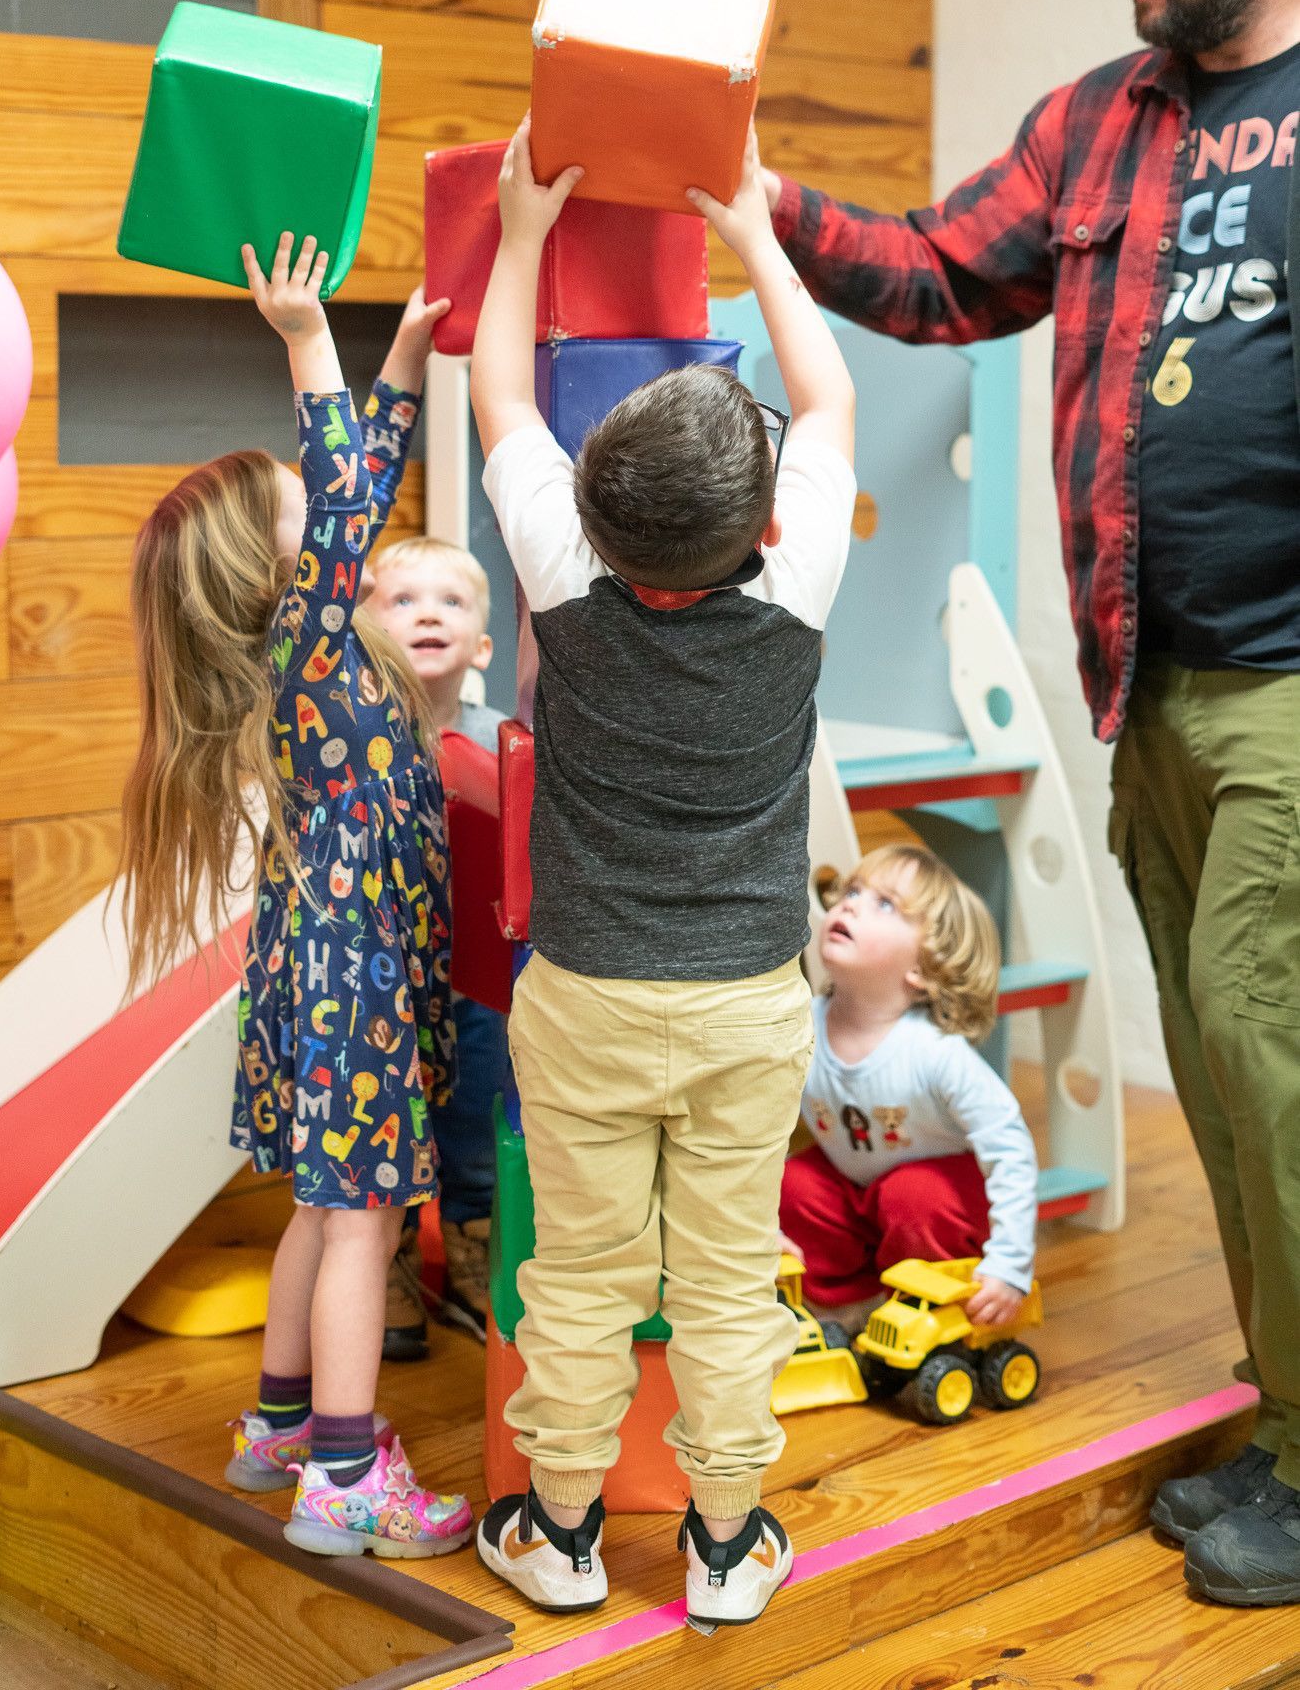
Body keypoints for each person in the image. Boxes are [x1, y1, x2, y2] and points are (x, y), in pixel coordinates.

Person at [763, 0, 1300, 1608]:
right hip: (1147, 681)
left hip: (1295, 685)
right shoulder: (1099, 124)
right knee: (1225, 1070)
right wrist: (759, 203)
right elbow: (930, 274)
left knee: (1252, 1030)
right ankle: (1292, 1417)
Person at [468, 117, 856, 1625]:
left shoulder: (562, 579)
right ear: (763, 520)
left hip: (583, 999)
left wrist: (517, 232)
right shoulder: (798, 577)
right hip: (748, 1004)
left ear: (588, 511)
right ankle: (723, 1541)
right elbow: (821, 390)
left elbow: (502, 389)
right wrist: (756, 231)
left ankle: (554, 1533)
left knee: (577, 1273)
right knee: (723, 1277)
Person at [118, 244, 471, 1561]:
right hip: (355, 987)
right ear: (279, 562)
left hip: (317, 979)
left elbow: (351, 478)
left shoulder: (304, 643)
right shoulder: (312, 635)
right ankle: (341, 1477)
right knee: (364, 1222)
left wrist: (401, 356)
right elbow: (344, 483)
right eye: (301, 508)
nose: (329, 508)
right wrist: (309, 339)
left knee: (324, 1213)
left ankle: (277, 1424)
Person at [780, 846, 1036, 1336]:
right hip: (856, 1192)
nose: (850, 905)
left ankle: (919, 1305)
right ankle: (848, 1309)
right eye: (851, 891)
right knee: (795, 1181)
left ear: (924, 966)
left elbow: (1009, 1146)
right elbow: (755, 1130)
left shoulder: (935, 1053)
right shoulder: (800, 1027)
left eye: (884, 904)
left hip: (937, 1208)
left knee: (909, 1194)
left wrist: (1010, 1264)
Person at [364, 536, 509, 1354]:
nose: (428, 613)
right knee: (386, 1124)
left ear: (481, 645)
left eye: (450, 602)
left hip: (478, 979)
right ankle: (383, 1268)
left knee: (476, 1122)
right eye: (404, 600)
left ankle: (469, 1261)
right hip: (382, 980)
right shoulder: (356, 738)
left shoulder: (500, 739)